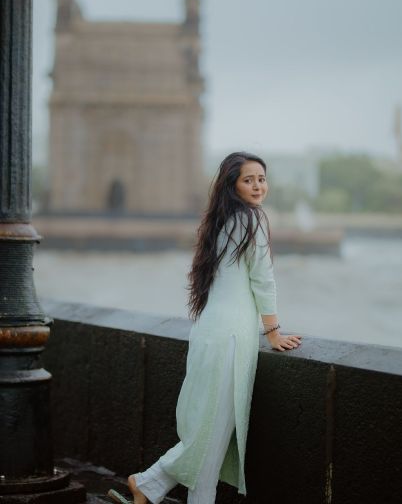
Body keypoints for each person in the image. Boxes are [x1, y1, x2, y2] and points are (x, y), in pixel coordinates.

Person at [108, 152, 302, 504]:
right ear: (232, 185)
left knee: (208, 434)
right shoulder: (252, 219)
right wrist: (273, 331)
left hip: (210, 333)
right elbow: (263, 279)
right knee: (210, 437)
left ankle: (148, 485)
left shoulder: (221, 220)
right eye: (248, 179)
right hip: (230, 339)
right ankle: (148, 481)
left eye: (261, 178)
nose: (258, 186)